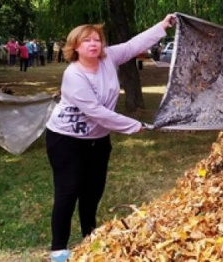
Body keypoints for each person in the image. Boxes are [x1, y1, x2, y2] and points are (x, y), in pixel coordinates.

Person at [44, 14, 176, 262]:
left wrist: (162, 25)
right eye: (87, 41)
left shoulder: (109, 58)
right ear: (75, 47)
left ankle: (89, 238)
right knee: (68, 190)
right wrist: (135, 125)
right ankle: (58, 249)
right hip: (66, 140)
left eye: (97, 40)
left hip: (98, 140)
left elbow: (133, 45)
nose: (94, 44)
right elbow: (96, 112)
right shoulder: (74, 75)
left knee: (93, 191)